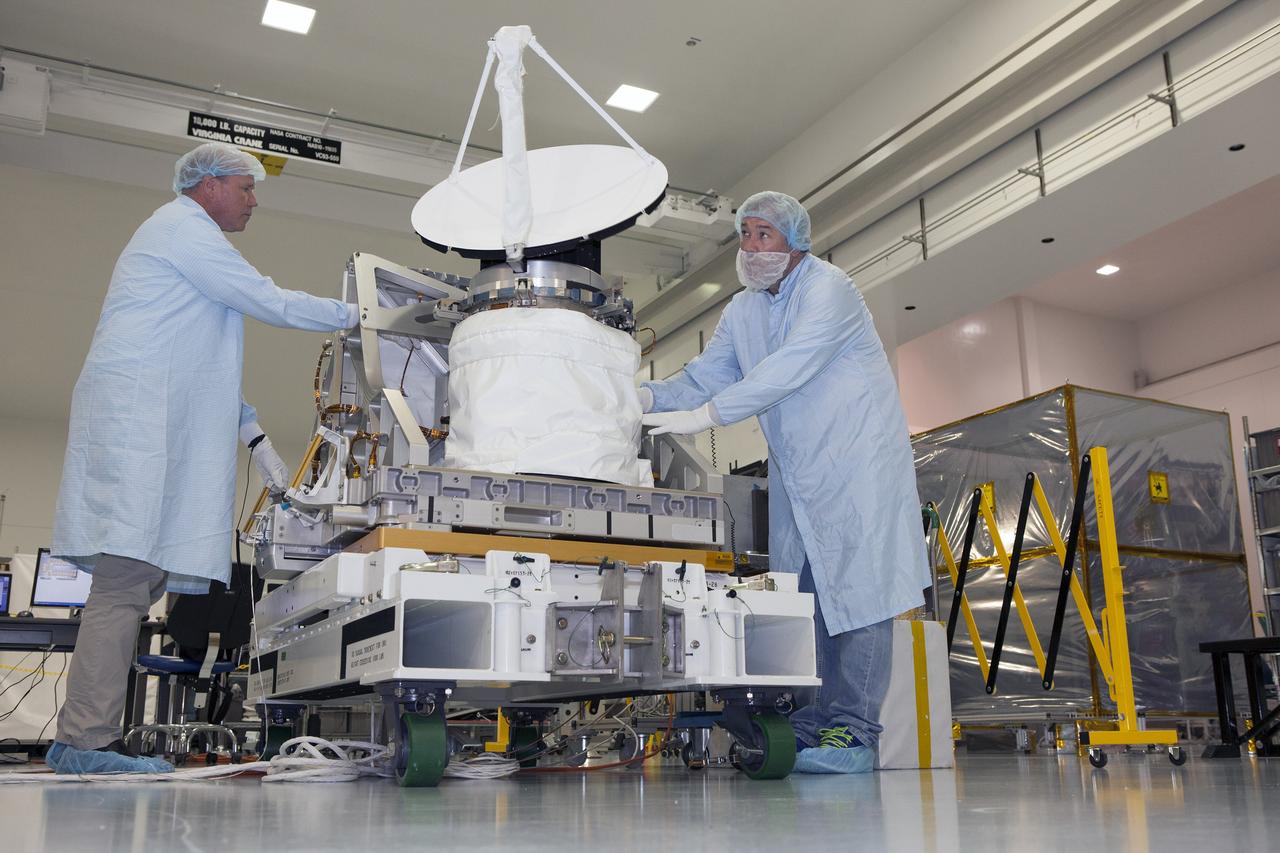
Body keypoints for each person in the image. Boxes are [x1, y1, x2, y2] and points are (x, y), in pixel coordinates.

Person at [44, 142, 358, 774]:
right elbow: (270, 300)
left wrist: (262, 447)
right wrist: (366, 314)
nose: (253, 200)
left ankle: (88, 734)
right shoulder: (183, 231)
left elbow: (205, 372)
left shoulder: (179, 246)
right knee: (125, 585)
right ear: (209, 183)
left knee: (135, 584)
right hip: (139, 428)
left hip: (153, 421)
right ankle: (83, 741)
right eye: (246, 187)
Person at [639, 191, 929, 774]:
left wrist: (709, 417)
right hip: (798, 473)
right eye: (744, 235)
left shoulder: (831, 290)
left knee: (863, 595)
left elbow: (788, 368)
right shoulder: (743, 311)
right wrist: (637, 398)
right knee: (804, 600)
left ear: (795, 240)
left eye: (763, 234)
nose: (750, 247)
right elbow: (704, 375)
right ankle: (806, 725)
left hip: (857, 465)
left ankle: (854, 732)